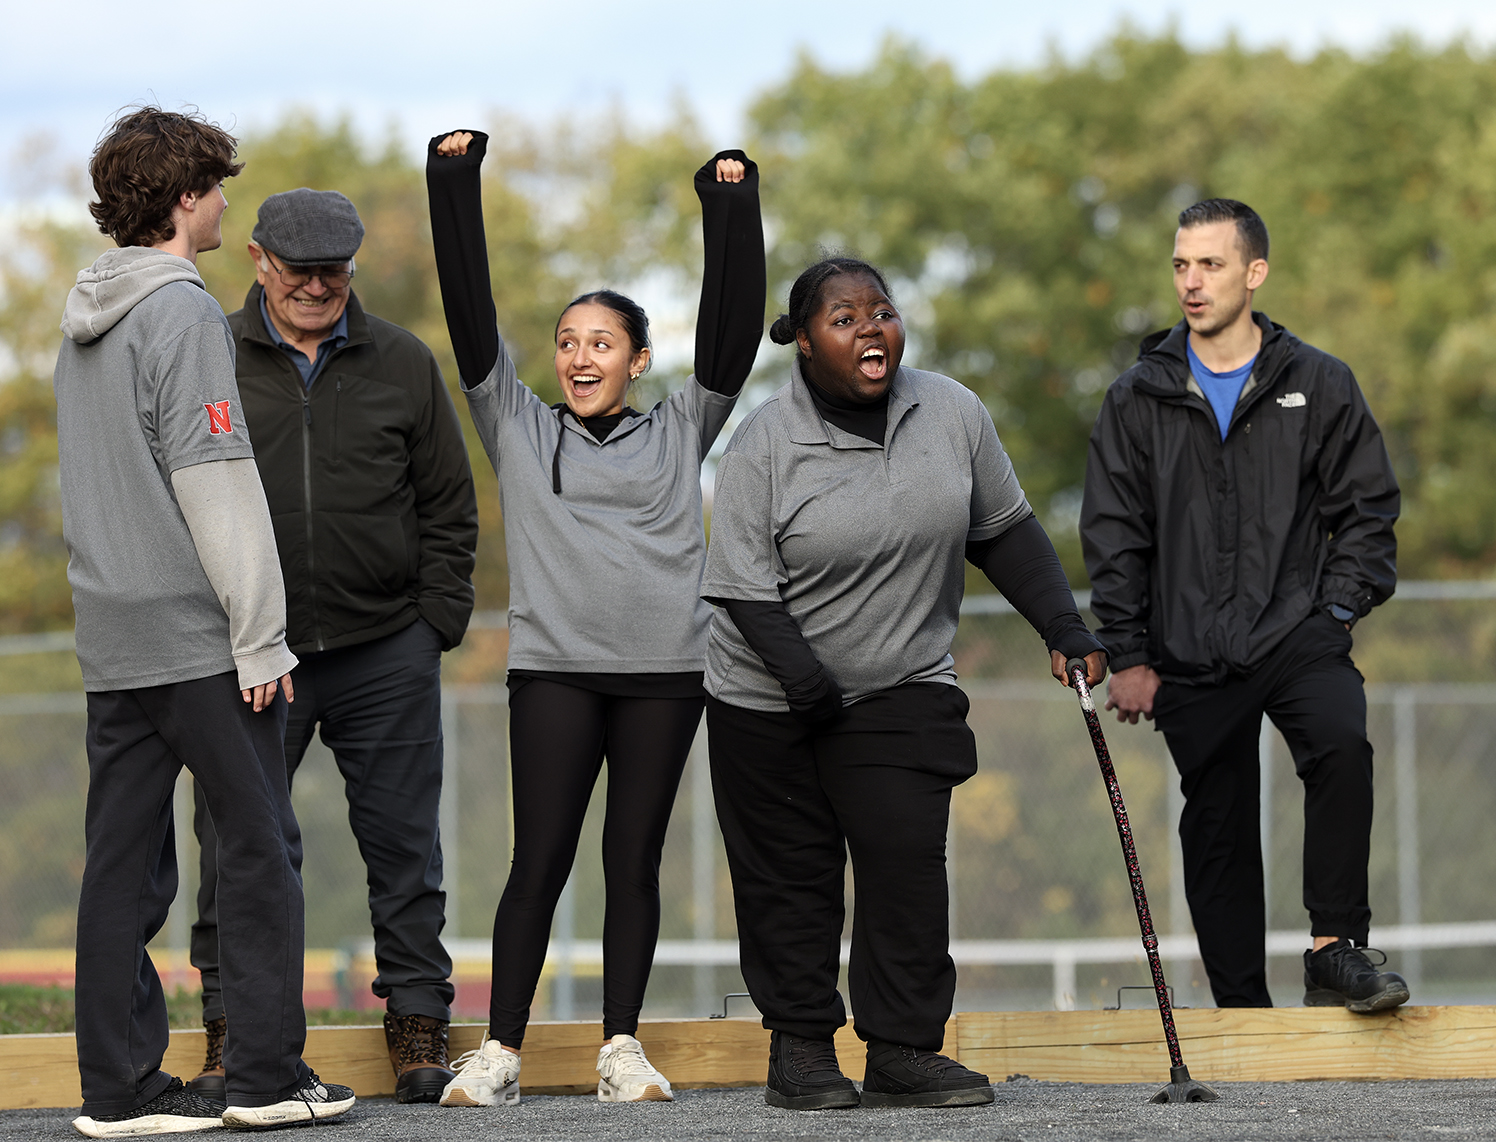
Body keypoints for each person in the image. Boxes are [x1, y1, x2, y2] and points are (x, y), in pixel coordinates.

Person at [700, 256, 1107, 1111]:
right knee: (791, 879)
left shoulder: (952, 410)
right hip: (768, 697)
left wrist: (1063, 627)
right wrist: (805, 682)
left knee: (905, 867)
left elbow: (1005, 530)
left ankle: (902, 1049)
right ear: (805, 343)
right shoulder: (766, 439)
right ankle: (802, 1050)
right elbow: (738, 584)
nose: (869, 330)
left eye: (880, 312)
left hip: (901, 681)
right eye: (843, 319)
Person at [424, 129, 765, 1106]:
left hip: (666, 672)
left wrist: (727, 203)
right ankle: (499, 1051)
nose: (579, 355)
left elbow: (735, 325)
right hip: (556, 670)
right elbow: (470, 313)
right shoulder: (517, 423)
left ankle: (621, 1045)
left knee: (633, 858)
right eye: (567, 341)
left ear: (638, 358)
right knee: (539, 857)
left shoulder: (683, 423)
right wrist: (453, 183)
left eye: (600, 342)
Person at [55, 106, 352, 1137]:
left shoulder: (84, 313)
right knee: (259, 845)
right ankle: (265, 1076)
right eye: (218, 185)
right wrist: (260, 632)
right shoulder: (181, 313)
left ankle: (118, 1089)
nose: (226, 200)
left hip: (112, 631)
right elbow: (215, 480)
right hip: (195, 634)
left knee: (121, 865)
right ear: (186, 198)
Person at [185, 187, 479, 1106]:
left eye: (333, 267)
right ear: (259, 263)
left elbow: (449, 506)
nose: (316, 284)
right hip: (250, 653)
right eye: (298, 266)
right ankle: (240, 1034)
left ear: (352, 266)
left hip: (385, 646)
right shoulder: (207, 358)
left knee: (403, 847)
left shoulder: (401, 361)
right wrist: (218, 632)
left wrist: (435, 621)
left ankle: (421, 1025)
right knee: (243, 846)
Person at [1080, 198, 1406, 1012]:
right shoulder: (1137, 396)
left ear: (1254, 273)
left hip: (1297, 630)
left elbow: (1367, 511)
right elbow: (1114, 531)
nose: (1192, 282)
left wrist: (1333, 614)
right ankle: (1242, 1011)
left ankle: (1336, 951)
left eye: (1212, 265)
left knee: (1340, 743)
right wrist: (1127, 653)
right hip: (1187, 647)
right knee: (1217, 821)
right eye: (1182, 265)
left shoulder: (1318, 382)